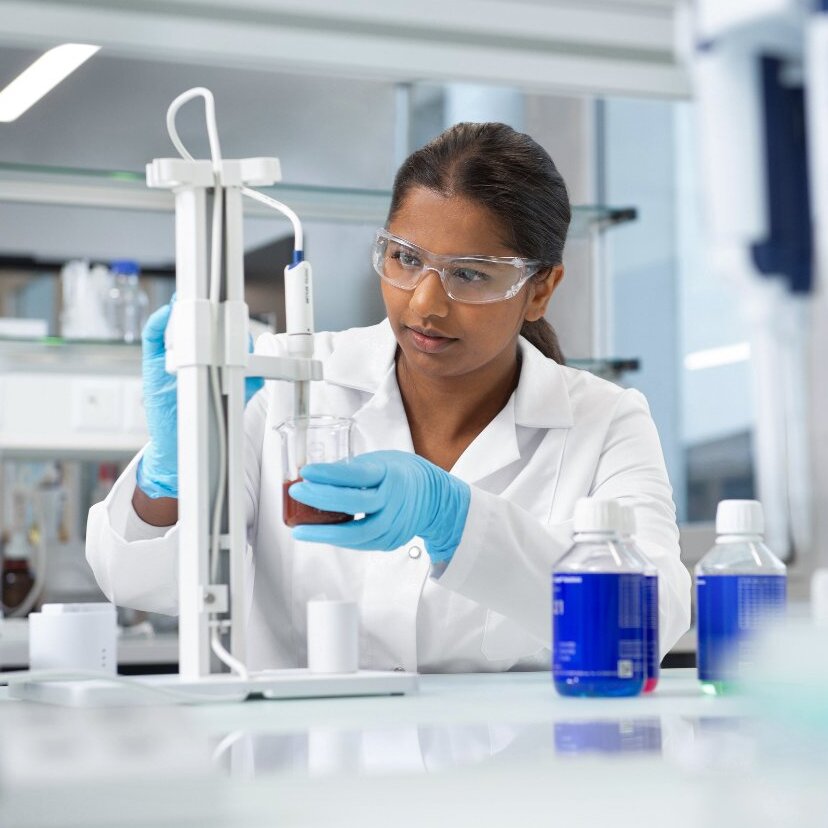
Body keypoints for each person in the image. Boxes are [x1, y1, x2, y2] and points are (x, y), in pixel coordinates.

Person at [86, 122, 690, 673]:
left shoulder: (605, 421)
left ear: (540, 289)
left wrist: (459, 521)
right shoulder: (293, 383)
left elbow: (650, 619)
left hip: (506, 787)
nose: (424, 302)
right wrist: (174, 474)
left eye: (471, 273)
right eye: (405, 259)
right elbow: (139, 582)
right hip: (304, 774)